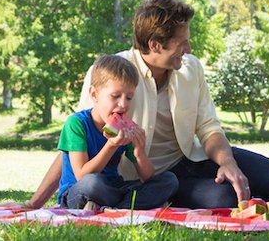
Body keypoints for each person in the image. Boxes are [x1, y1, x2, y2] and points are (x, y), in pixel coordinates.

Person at [25, 0, 269, 209]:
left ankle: (250, 193)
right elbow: (77, 142)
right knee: (224, 199)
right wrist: (35, 202)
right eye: (182, 43)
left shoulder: (191, 68)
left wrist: (227, 162)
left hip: (190, 157)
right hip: (143, 177)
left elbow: (208, 127)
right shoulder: (111, 74)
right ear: (154, 44)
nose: (189, 50)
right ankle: (154, 198)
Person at [57, 55, 178, 210]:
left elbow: (147, 176)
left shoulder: (123, 129)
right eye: (115, 96)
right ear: (94, 94)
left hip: (113, 188)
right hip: (77, 191)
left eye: (129, 98)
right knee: (92, 183)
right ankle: (126, 206)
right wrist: (111, 145)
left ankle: (112, 208)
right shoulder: (76, 124)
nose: (123, 104)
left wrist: (140, 152)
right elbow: (81, 175)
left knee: (168, 180)